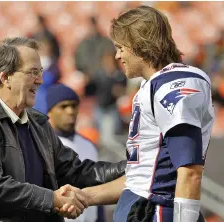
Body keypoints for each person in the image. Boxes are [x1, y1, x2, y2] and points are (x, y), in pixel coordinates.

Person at [57, 5, 215, 222]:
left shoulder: (175, 84)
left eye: (121, 47)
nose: (117, 55)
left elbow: (189, 172)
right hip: (142, 207)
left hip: (158, 211)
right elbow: (140, 178)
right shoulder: (152, 84)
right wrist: (85, 196)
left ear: (139, 44)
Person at [0, 37, 127, 222]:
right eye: (32, 72)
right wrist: (52, 199)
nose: (40, 80)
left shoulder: (37, 123)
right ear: (5, 77)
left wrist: (129, 166)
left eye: (40, 71)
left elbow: (74, 171)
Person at [34, 83, 106, 222]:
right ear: (50, 111)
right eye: (63, 106)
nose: (70, 111)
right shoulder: (41, 145)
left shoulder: (88, 145)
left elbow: (98, 186)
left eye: (74, 105)